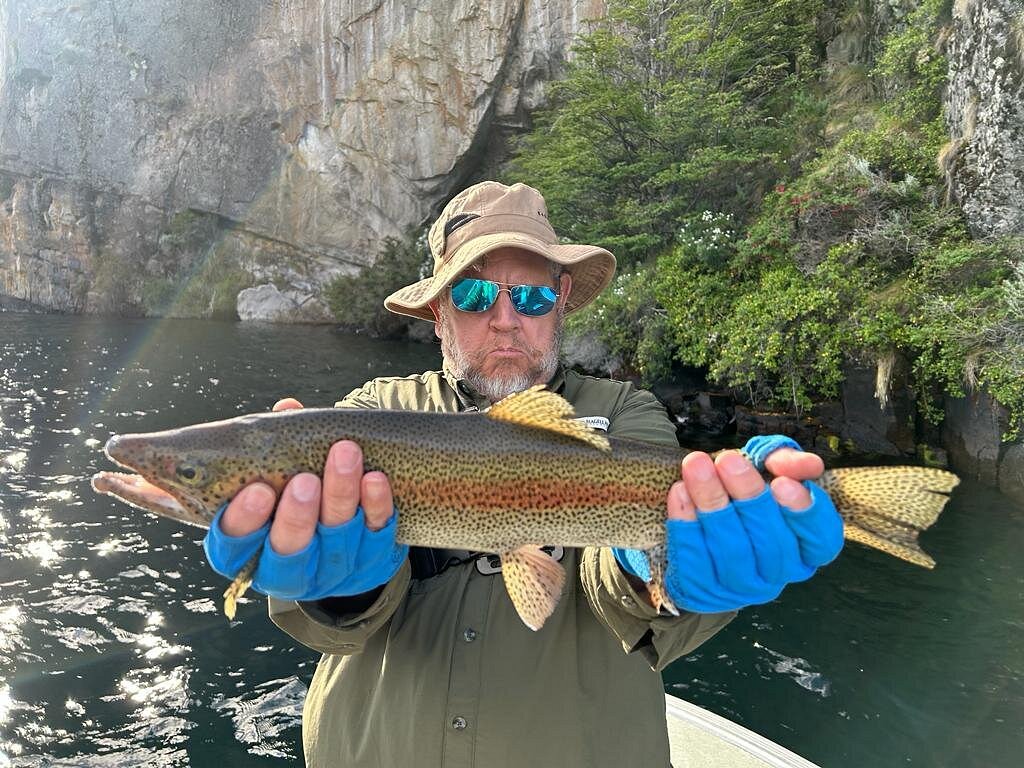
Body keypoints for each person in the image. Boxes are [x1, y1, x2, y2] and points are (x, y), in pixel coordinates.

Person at [203, 181, 844, 767]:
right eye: (476, 293)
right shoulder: (374, 415)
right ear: (439, 312)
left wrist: (660, 571)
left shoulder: (625, 415)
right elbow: (324, 623)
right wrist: (336, 592)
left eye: (531, 295)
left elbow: (619, 589)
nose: (504, 318)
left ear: (561, 301)